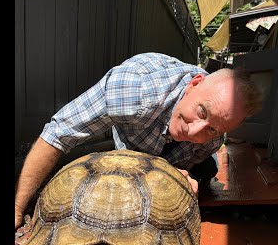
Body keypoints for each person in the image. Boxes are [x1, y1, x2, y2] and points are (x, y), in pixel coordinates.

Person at [15, 52, 262, 229]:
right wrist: (17, 209)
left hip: (165, 150)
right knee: (90, 171)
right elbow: (58, 133)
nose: (196, 131)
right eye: (202, 112)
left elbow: (191, 154)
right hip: (132, 133)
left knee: (207, 172)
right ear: (193, 85)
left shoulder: (212, 139)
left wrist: (180, 175)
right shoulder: (134, 91)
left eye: (212, 129)